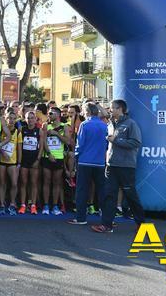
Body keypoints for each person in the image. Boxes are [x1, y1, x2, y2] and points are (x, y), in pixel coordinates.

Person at [91, 99, 145, 233]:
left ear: (120, 109)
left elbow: (135, 143)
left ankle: (142, 224)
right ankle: (106, 225)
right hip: (111, 165)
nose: (110, 110)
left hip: (126, 166)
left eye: (112, 108)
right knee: (109, 195)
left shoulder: (131, 124)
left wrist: (117, 140)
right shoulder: (111, 124)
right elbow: (105, 115)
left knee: (130, 195)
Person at [68, 103, 108, 225]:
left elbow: (80, 145)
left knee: (82, 190)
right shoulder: (104, 125)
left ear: (88, 112)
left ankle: (81, 218)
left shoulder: (85, 125)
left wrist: (76, 157)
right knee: (101, 191)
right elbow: (106, 144)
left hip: (85, 161)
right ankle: (107, 218)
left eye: (84, 111)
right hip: (100, 162)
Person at [41, 107, 70, 216]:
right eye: (48, 113)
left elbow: (68, 141)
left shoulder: (64, 126)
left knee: (57, 182)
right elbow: (43, 142)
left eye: (51, 113)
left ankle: (55, 205)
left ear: (58, 115)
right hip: (47, 157)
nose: (49, 115)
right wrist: (49, 154)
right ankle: (46, 205)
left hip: (59, 157)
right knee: (46, 181)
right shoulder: (45, 125)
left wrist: (57, 134)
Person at [17, 111, 44, 215]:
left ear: (36, 119)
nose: (30, 120)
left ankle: (33, 205)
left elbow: (41, 147)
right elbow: (19, 146)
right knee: (23, 183)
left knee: (33, 183)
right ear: (25, 119)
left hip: (34, 160)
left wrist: (38, 160)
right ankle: (23, 205)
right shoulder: (21, 130)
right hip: (24, 160)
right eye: (28, 118)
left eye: (32, 118)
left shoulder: (39, 131)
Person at [0, 109, 21, 215]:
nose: (11, 120)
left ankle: (12, 203)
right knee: (2, 183)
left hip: (13, 162)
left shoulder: (18, 132)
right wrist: (3, 152)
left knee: (14, 183)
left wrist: (19, 163)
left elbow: (19, 149)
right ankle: (2, 204)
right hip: (2, 161)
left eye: (13, 118)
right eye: (9, 118)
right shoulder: (1, 130)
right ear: (5, 119)